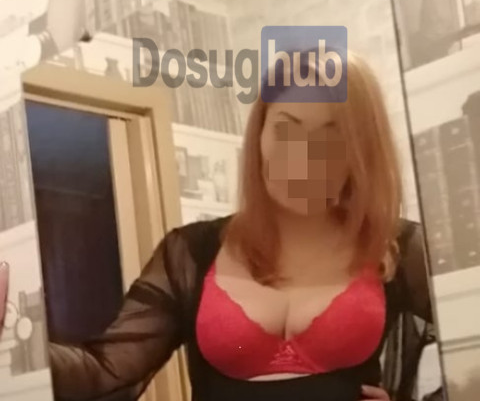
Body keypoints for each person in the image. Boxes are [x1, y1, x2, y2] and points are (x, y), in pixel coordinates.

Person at [48, 49, 437, 401]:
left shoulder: (398, 246)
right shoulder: (189, 253)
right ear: (260, 135)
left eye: (331, 137)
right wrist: (24, 359)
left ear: (362, 151)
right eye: (286, 128)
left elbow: (464, 345)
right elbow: (105, 373)